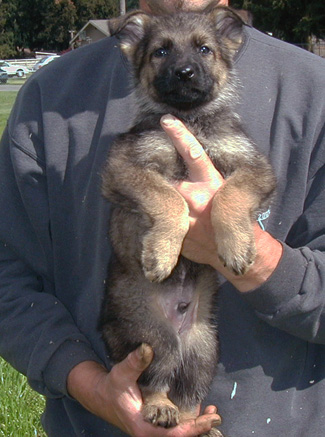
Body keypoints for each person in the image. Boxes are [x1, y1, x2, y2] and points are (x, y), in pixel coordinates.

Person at [0, 0, 324, 435]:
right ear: (133, 46)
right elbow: (8, 278)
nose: (185, 66)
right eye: (163, 52)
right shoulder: (47, 97)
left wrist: (254, 256)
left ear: (230, 40)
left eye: (203, 50)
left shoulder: (315, 90)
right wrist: (94, 389)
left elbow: (255, 178)